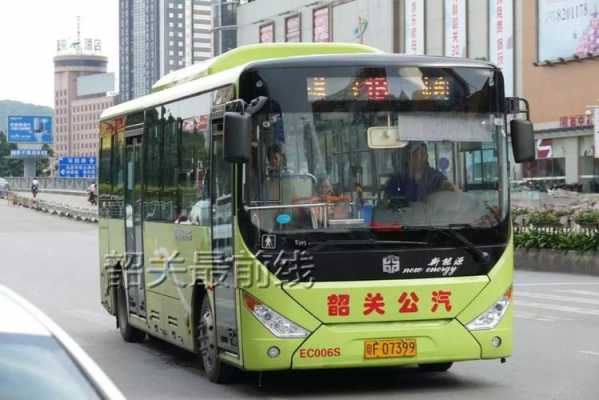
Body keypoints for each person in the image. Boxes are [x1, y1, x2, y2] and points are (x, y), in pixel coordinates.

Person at [384, 141, 455, 206]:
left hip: (432, 218)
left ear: (427, 156)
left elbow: (448, 186)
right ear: (407, 157)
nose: (419, 158)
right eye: (415, 154)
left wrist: (449, 186)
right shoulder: (397, 179)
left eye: (422, 154)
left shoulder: (434, 176)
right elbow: (385, 203)